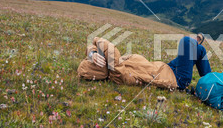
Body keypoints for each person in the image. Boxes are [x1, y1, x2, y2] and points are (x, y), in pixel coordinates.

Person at [83, 33, 211, 90]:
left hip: (165, 67)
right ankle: (210, 80)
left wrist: (91, 53)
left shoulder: (117, 64)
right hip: (176, 79)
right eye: (99, 61)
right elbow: (105, 45)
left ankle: (209, 78)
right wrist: (94, 51)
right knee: (187, 42)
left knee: (199, 49)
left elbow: (94, 48)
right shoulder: (117, 72)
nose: (102, 58)